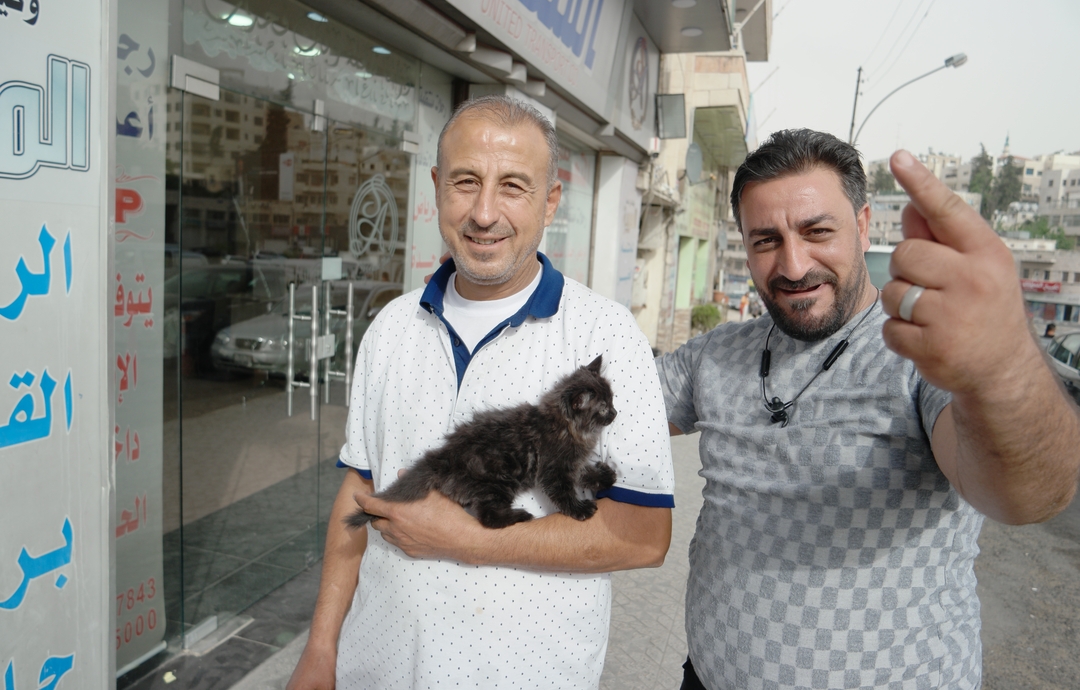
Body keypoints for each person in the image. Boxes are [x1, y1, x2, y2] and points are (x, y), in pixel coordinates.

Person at [656, 129, 1080, 690]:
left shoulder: (920, 354)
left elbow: (1030, 495)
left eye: (817, 231)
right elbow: (599, 415)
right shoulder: (717, 353)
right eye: (765, 241)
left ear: (861, 224)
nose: (793, 264)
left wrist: (1000, 367)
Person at [287, 95, 675, 690]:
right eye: (466, 182)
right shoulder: (392, 326)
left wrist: (471, 540)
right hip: (376, 669)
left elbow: (644, 537)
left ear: (550, 202)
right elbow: (360, 485)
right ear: (438, 187)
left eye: (514, 186)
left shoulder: (606, 335)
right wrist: (320, 650)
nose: (484, 213)